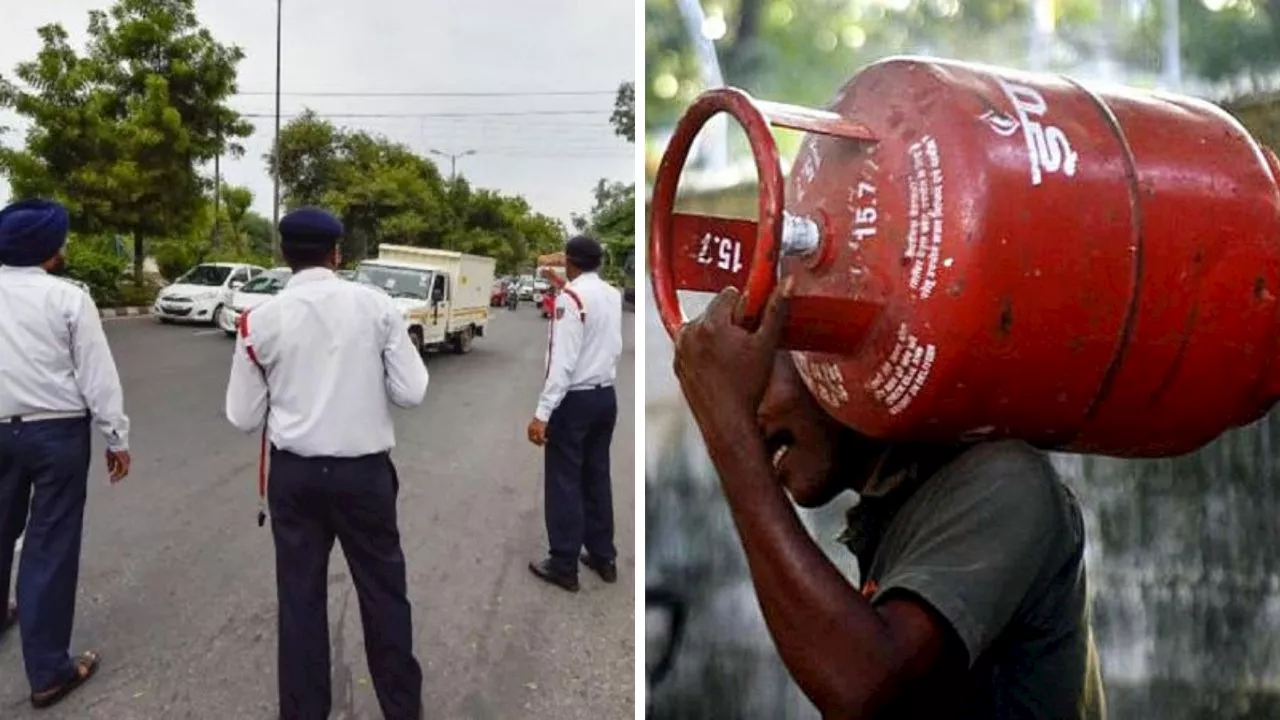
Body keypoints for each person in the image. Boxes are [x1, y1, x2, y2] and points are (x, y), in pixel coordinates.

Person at [671, 281, 1106, 719]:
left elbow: (863, 688)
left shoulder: (1004, 479)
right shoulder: (897, 508)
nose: (750, 415)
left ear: (831, 356)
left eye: (756, 381)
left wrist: (730, 435)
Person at [225, 207, 429, 720]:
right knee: (384, 594)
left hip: (294, 479)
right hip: (364, 476)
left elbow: (243, 415)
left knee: (299, 600)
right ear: (337, 253)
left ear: (284, 255)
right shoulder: (378, 307)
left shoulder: (260, 319)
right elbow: (412, 392)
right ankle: (402, 709)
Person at [0, 198, 131, 709]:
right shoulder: (69, 299)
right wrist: (116, 438)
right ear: (48, 252)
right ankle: (49, 671)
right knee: (49, 546)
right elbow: (97, 376)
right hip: (56, 434)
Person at [526, 235, 624, 592]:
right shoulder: (611, 295)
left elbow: (562, 364)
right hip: (605, 397)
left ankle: (564, 563)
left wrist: (542, 413)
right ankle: (603, 556)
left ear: (570, 261)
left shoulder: (570, 299)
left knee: (564, 479)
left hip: (575, 401)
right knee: (596, 476)